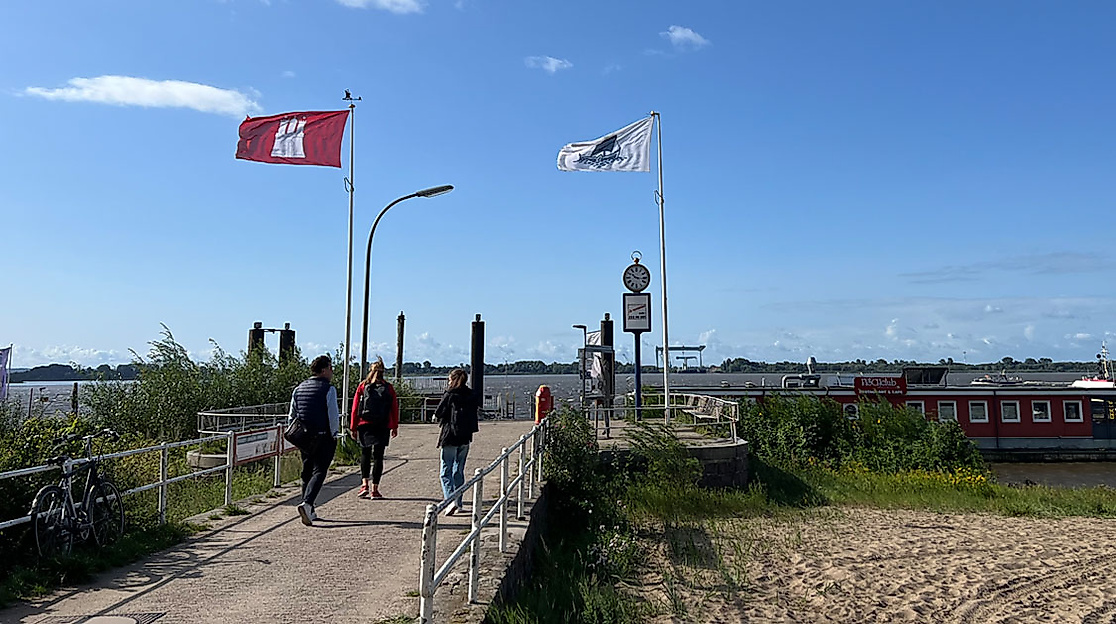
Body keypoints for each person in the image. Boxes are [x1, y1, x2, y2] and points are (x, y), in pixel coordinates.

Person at [287, 354, 340, 526]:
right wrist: (335, 434)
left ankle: (309, 509)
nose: (332, 372)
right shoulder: (328, 389)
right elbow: (333, 415)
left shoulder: (298, 388)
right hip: (323, 435)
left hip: (304, 436)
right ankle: (308, 503)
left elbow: (292, 415)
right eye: (331, 368)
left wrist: (295, 434)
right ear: (324, 370)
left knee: (307, 471)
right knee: (320, 471)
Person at [350, 358, 399, 499]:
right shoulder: (388, 388)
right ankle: (375, 489)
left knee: (365, 454)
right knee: (378, 457)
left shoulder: (362, 386)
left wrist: (353, 427)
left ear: (370, 371)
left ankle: (364, 484)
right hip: (382, 425)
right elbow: (394, 408)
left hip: (365, 424)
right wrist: (394, 426)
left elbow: (354, 409)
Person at [434, 368, 479, 516]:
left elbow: (439, 412)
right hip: (465, 436)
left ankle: (450, 500)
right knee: (458, 471)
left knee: (445, 471)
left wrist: (438, 417)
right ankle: (458, 503)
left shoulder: (450, 394)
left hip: (450, 435)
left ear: (453, 380)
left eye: (449, 379)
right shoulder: (471, 394)